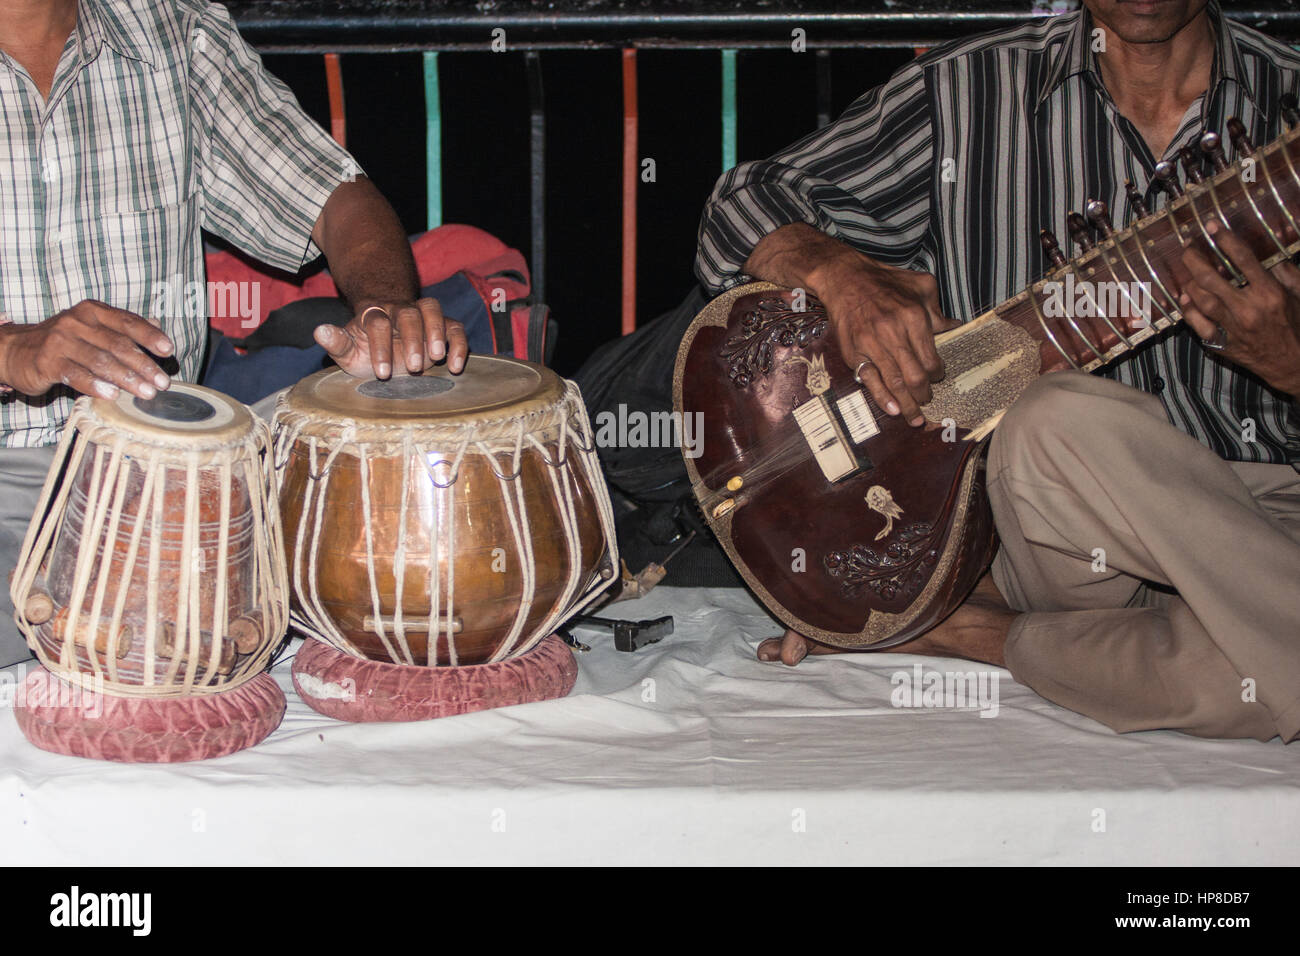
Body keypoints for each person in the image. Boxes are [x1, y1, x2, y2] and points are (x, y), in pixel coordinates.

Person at [696, 0, 1300, 741]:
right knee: (1050, 417)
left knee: (1236, 680)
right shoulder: (967, 92)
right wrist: (844, 276)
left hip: (1263, 516)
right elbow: (739, 206)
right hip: (1048, 523)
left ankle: (969, 634)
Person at [0, 0, 468, 667]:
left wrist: (383, 308)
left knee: (415, 456)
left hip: (188, 470)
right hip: (9, 478)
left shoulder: (169, 28)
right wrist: (14, 348)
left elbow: (336, 197)